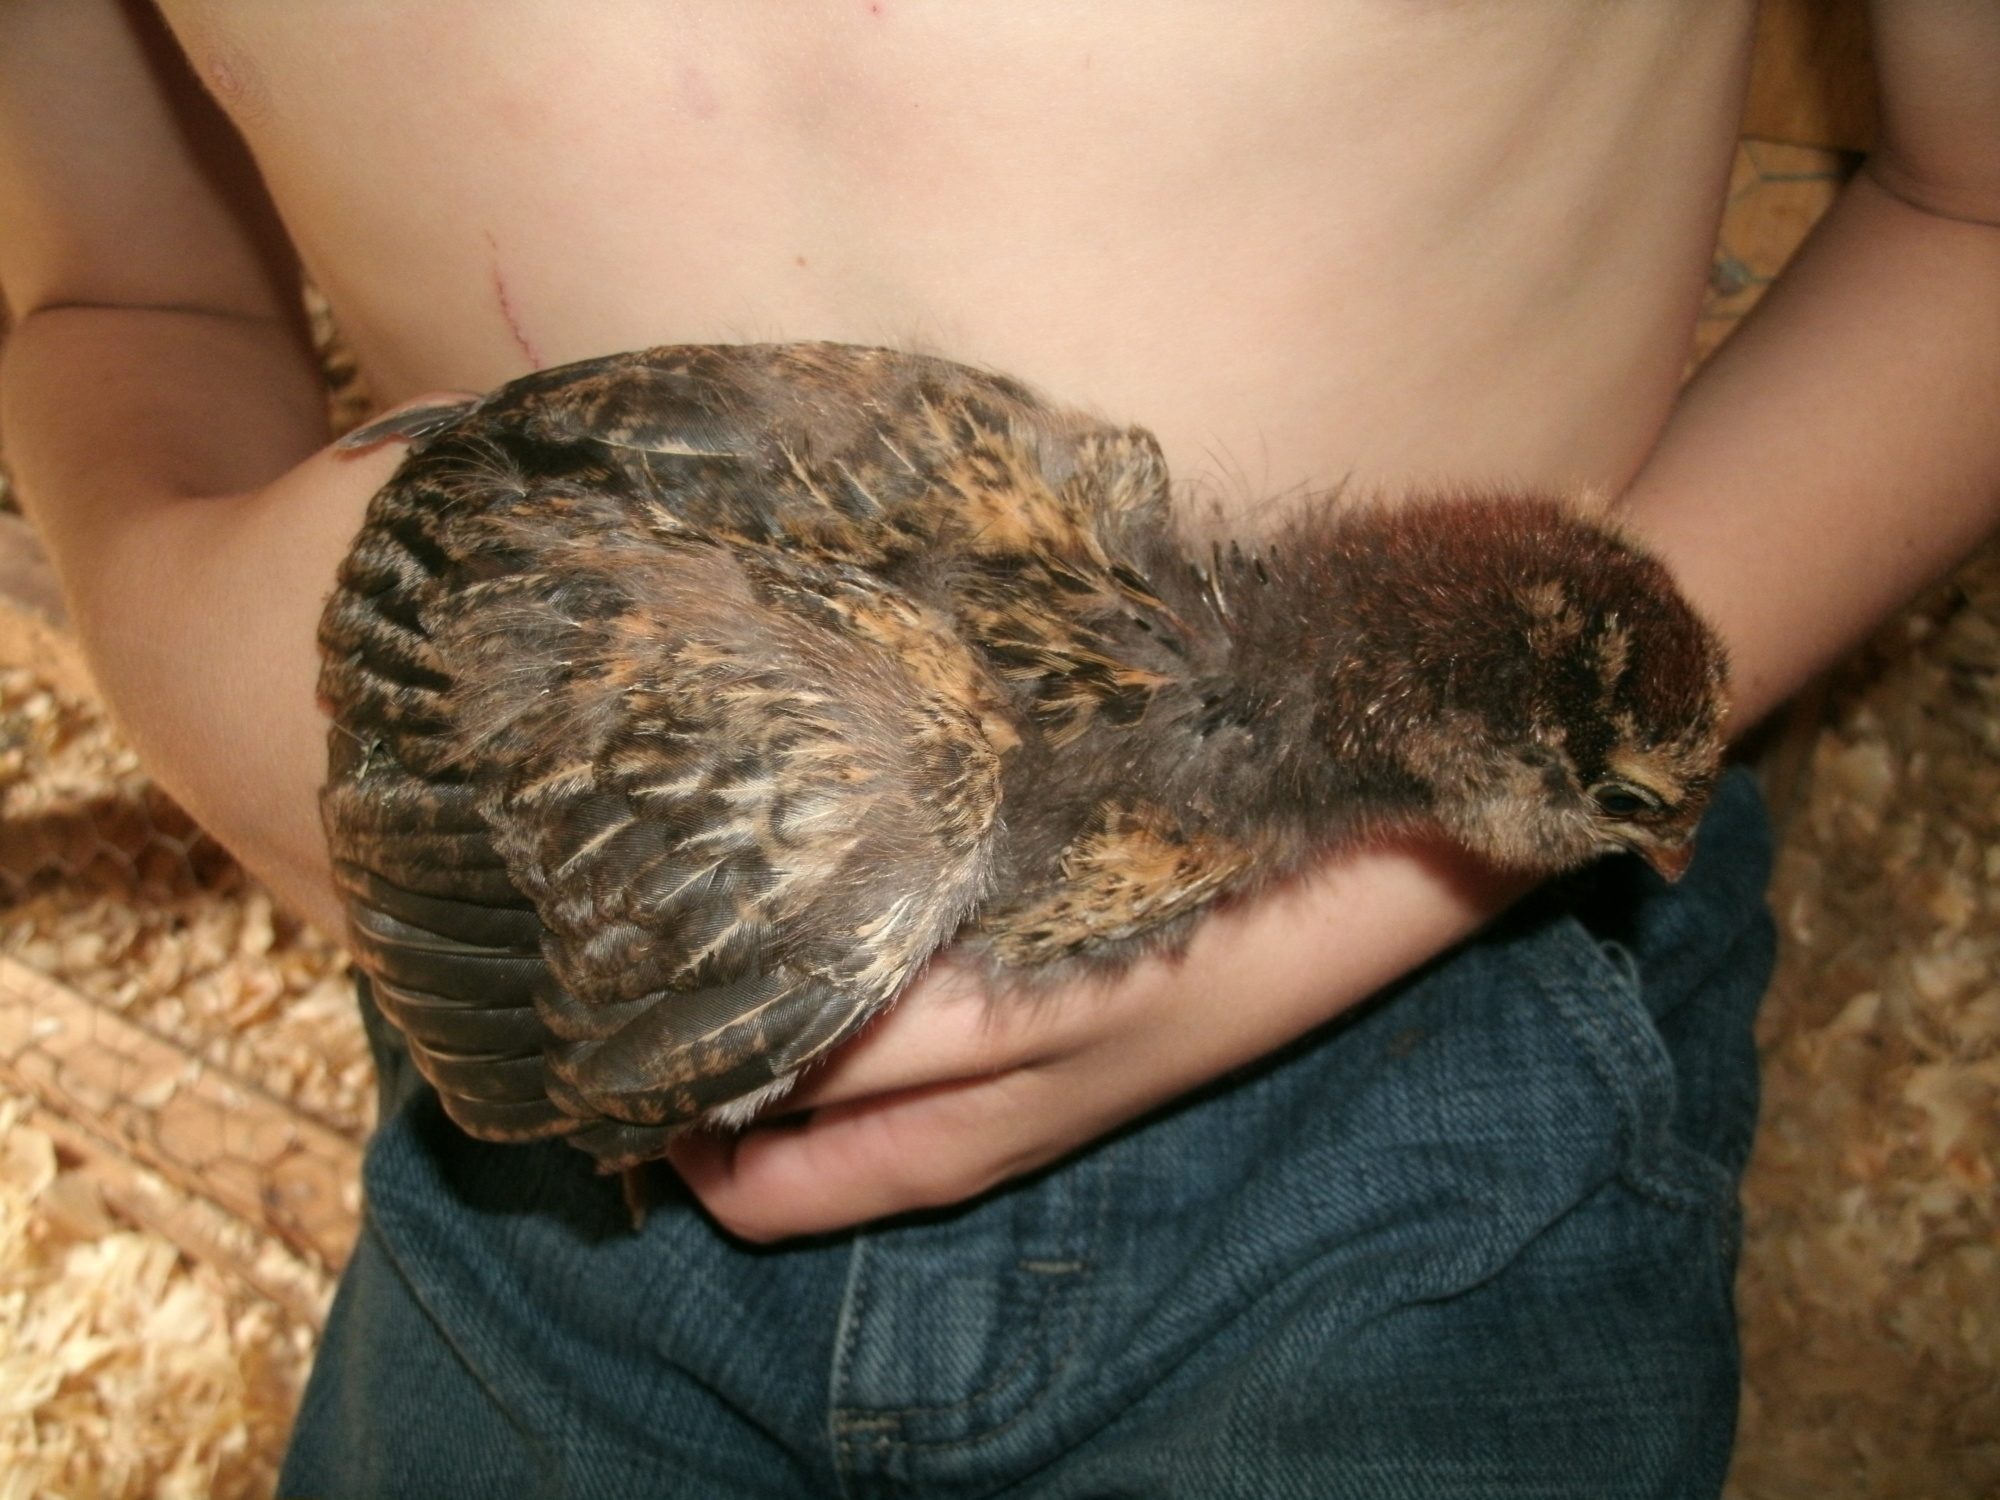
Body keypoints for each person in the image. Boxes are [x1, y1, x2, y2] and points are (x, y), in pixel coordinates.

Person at [1, 3, 1994, 1494]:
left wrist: (1365, 889)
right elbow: (116, 286)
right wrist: (197, 654)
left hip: (1431, 1042)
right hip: (575, 1045)